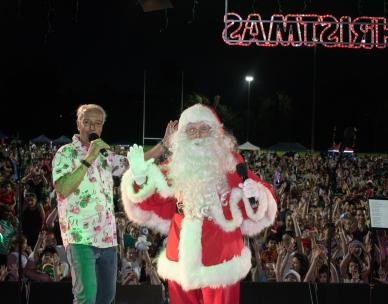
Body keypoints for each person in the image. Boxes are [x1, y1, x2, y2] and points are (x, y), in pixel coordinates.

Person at [121, 103, 278, 304]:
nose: (198, 135)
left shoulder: (232, 163)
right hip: (180, 255)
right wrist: (141, 179)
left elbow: (261, 197)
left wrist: (256, 193)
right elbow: (151, 200)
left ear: (216, 132)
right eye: (191, 130)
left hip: (222, 256)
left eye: (204, 129)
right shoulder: (174, 165)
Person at [52, 104, 176, 304]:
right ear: (78, 124)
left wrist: (163, 144)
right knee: (86, 298)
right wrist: (88, 157)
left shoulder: (105, 155)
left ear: (102, 127)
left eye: (98, 123)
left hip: (108, 238)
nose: (92, 127)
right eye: (87, 122)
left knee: (106, 298)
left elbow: (134, 163)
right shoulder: (65, 153)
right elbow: (63, 188)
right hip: (80, 238)